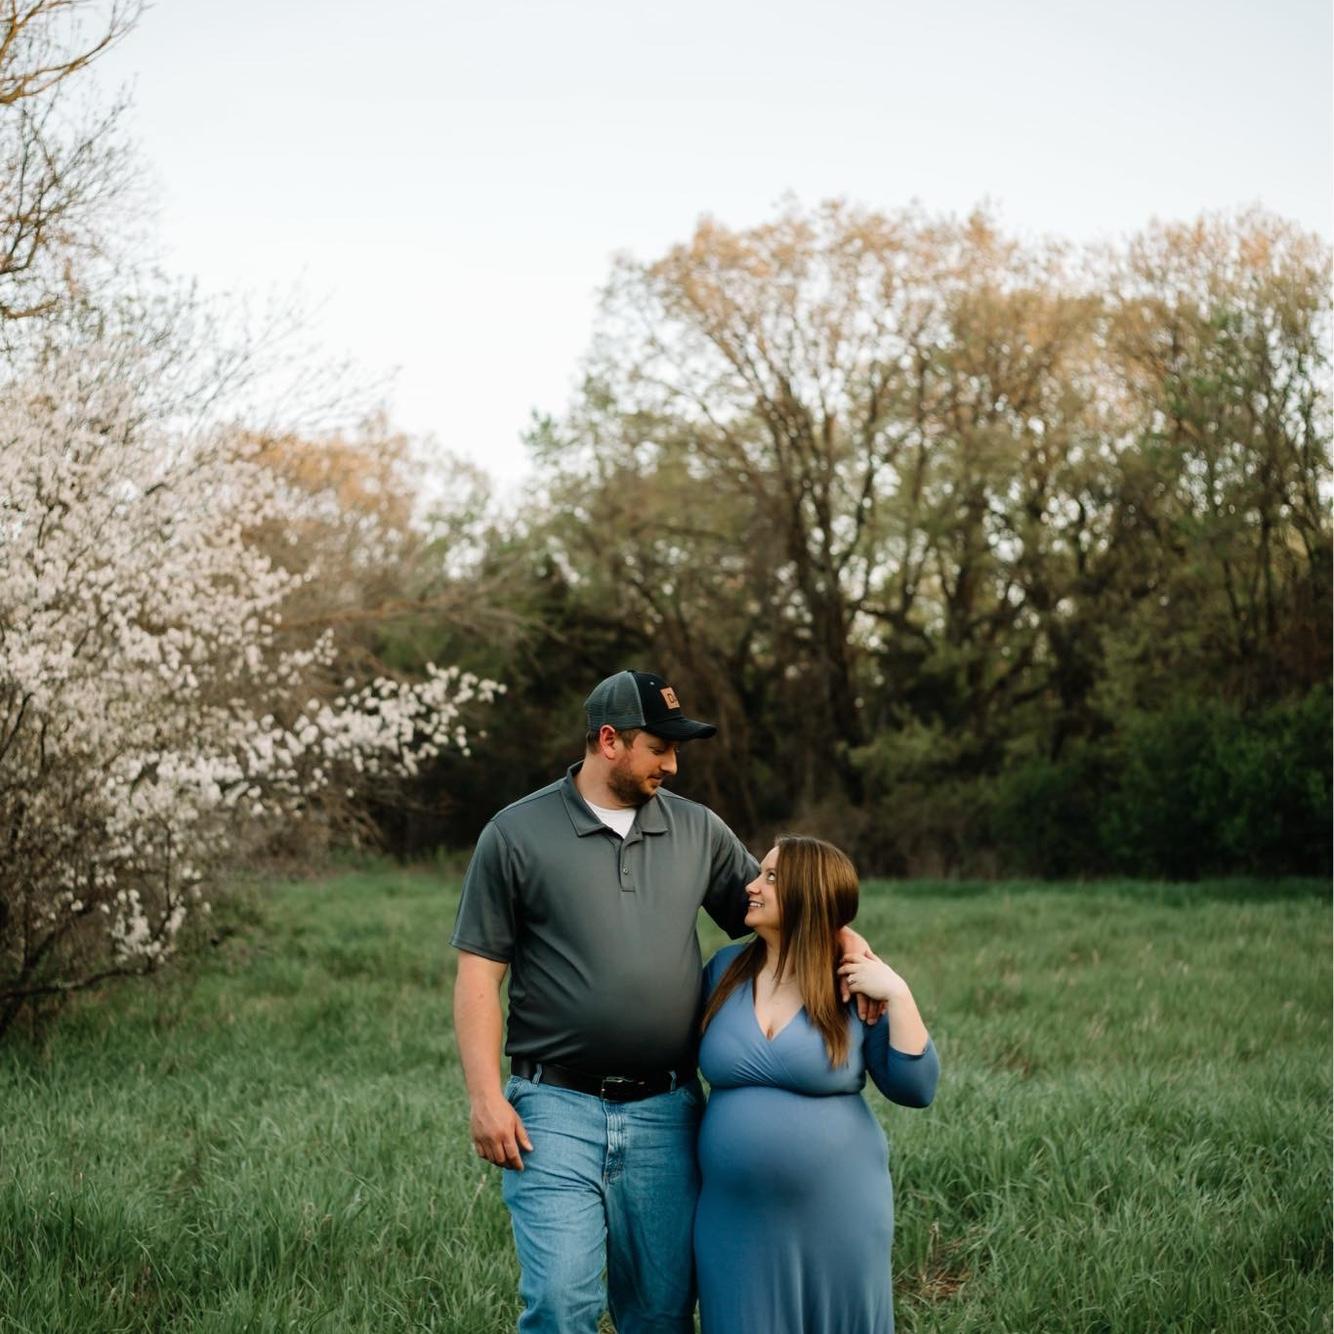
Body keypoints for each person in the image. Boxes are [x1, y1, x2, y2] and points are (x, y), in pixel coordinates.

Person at [451, 670, 877, 1333]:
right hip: (553, 1108)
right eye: (660, 748)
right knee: (561, 1303)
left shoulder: (697, 830)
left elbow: (781, 906)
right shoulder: (515, 835)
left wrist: (847, 942)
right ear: (610, 741)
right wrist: (484, 1098)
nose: (673, 765)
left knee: (660, 1314)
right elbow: (479, 974)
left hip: (667, 1113)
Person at [694, 835, 939, 1334]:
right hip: (733, 1217)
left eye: (770, 877)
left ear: (807, 894)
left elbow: (915, 1088)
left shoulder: (851, 982)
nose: (751, 886)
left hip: (838, 1211)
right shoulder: (723, 972)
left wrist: (899, 994)